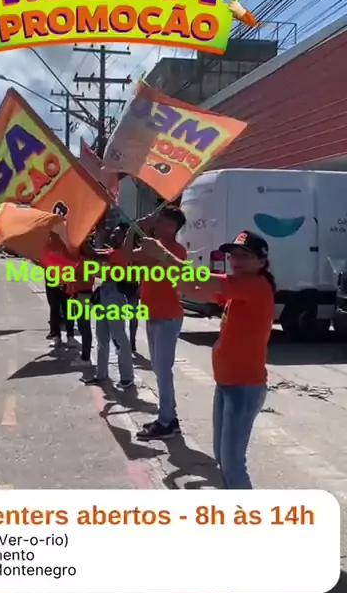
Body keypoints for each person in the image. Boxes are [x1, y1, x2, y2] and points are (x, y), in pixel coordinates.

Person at [138, 230, 275, 489]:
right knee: (224, 460)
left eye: (244, 256)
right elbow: (194, 289)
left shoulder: (255, 285)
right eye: (234, 255)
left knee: (233, 465)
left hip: (244, 388)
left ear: (261, 262)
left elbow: (200, 278)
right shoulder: (239, 287)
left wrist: (163, 255)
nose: (236, 260)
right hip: (227, 384)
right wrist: (166, 267)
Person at [124, 205, 187, 440]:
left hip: (168, 317)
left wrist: (147, 242)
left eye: (159, 220)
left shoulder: (176, 251)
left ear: (172, 227)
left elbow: (159, 265)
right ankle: (168, 417)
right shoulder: (152, 247)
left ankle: (167, 420)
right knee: (160, 370)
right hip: (153, 315)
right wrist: (133, 229)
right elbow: (126, 257)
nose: (155, 223)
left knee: (163, 371)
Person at [83, 225, 135, 389]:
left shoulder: (122, 253)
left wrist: (81, 238)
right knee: (101, 336)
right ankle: (101, 374)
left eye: (117, 233)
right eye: (113, 232)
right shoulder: (112, 251)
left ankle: (127, 376)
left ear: (126, 238)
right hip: (105, 292)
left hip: (114, 295)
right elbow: (92, 254)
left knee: (119, 336)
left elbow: (93, 254)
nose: (113, 235)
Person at [66, 256, 95, 366]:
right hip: (81, 295)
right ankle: (85, 356)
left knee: (84, 327)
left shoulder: (85, 261)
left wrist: (72, 280)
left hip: (83, 296)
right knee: (83, 326)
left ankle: (86, 358)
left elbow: (83, 279)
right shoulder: (84, 260)